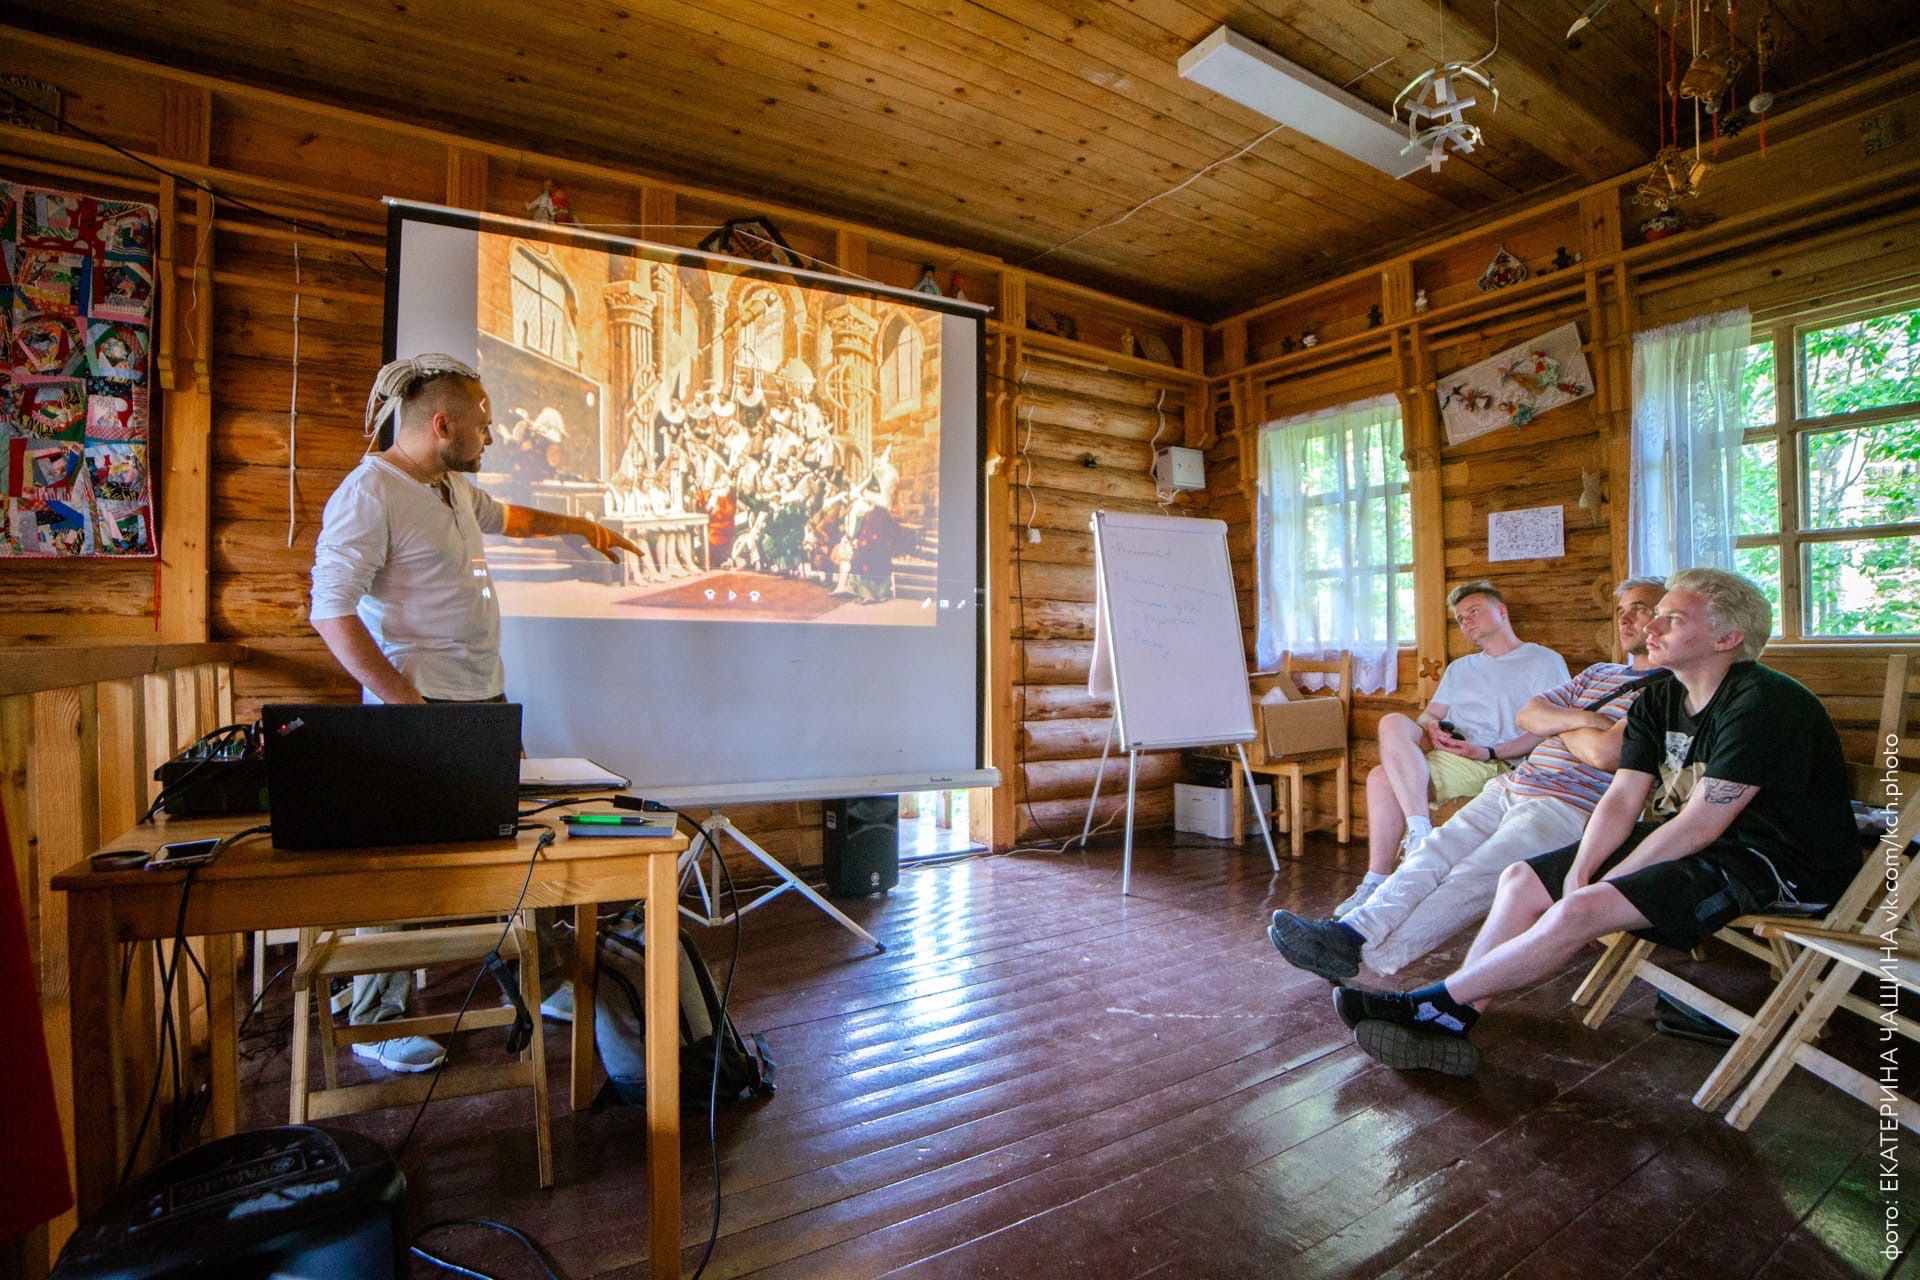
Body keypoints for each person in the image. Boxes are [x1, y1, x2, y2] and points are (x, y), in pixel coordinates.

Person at [1332, 568, 1858, 1076]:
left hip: (1776, 865)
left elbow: (1700, 825)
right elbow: (1622, 799)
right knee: (1521, 878)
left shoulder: (1763, 701)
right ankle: (1459, 1010)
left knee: (1581, 905)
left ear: (1726, 639)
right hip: (1706, 846)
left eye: (1671, 619)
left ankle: (1433, 1004)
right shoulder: (1661, 697)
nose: (1649, 625)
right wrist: (1582, 869)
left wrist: (1595, 888)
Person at [309, 354, 642, 1073]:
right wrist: (408, 709)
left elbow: (514, 517)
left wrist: (583, 526)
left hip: (482, 700)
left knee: (512, 845)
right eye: (484, 422)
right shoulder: (370, 493)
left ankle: (541, 978)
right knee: (399, 870)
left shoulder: (450, 487)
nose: (491, 435)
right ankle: (376, 1023)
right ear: (442, 423)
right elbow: (330, 612)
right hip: (419, 713)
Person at [1269, 578, 1668, 981]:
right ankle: (1351, 932)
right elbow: (1528, 715)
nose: (1627, 618)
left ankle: (1369, 958)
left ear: (1664, 619)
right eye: (1621, 610)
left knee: (1473, 875)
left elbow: (1603, 754)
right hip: (1514, 786)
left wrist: (1555, 723)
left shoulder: (1667, 689)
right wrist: (1586, 719)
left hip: (1569, 804)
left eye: (1641, 608)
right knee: (1434, 850)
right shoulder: (1599, 672)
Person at [1343, 581, 1569, 916]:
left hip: (1493, 759)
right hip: (1448, 750)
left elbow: (1549, 729)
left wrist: (1490, 752)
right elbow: (1431, 713)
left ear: (1501, 611)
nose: (1467, 622)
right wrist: (1431, 726)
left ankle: (1380, 876)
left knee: (1380, 778)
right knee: (1391, 721)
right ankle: (1416, 835)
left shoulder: (1542, 661)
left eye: (1474, 612)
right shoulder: (1460, 668)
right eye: (1461, 619)